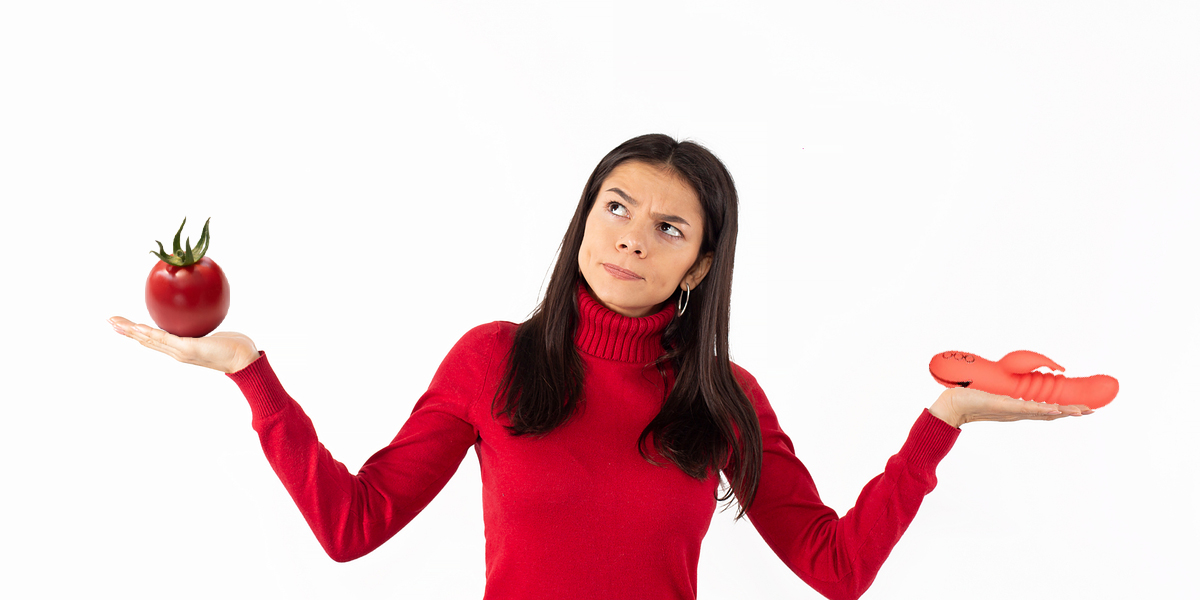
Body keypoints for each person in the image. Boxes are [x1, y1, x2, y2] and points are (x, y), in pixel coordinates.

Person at [108, 134, 1094, 600]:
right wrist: (253, 376)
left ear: (699, 265)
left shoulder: (724, 399)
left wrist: (941, 424)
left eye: (669, 227)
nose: (630, 237)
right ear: (584, 218)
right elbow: (352, 525)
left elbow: (836, 570)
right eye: (615, 207)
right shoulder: (491, 361)